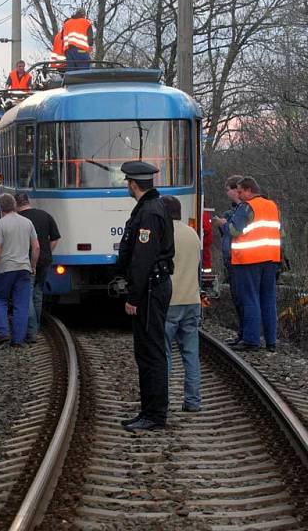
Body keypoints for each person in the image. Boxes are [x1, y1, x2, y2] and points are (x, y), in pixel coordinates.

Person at [116, 161, 174, 432]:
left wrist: (134, 297)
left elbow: (143, 259)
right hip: (153, 287)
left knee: (151, 354)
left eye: (128, 182)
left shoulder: (149, 213)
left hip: (150, 289)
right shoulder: (153, 207)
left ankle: (154, 414)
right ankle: (149, 411)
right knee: (148, 352)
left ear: (133, 184)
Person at [227, 177, 282, 352]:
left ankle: (251, 340)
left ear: (249, 190)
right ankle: (271, 341)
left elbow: (234, 230)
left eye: (241, 191)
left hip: (249, 259)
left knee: (250, 299)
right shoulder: (272, 205)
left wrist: (224, 224)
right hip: (271, 258)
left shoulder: (246, 207)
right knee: (268, 300)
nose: (239, 195)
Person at [161, 196, 202, 413]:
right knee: (191, 354)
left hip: (170, 301)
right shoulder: (192, 234)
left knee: (163, 353)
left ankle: (163, 401)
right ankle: (193, 401)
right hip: (192, 300)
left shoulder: (163, 235)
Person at [0, 193, 39, 347]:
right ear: (15, 206)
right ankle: (18, 340)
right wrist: (33, 265)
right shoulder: (27, 223)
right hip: (23, 268)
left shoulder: (0, 224)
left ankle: (3, 333)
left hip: (4, 269)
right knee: (21, 304)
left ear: (0, 208)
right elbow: (36, 247)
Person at [15, 192, 60, 342]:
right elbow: (55, 238)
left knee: (26, 294)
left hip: (26, 261)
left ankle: (32, 331)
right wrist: (47, 251)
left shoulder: (18, 219)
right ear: (28, 201)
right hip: (45, 260)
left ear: (16, 204)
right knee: (38, 293)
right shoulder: (45, 215)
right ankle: (37, 326)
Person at [212, 175, 244, 344]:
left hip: (239, 259)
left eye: (228, 190)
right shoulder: (235, 210)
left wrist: (223, 224)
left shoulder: (243, 210)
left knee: (242, 297)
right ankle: (243, 333)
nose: (226, 193)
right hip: (232, 258)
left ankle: (246, 335)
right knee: (237, 297)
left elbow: (234, 231)